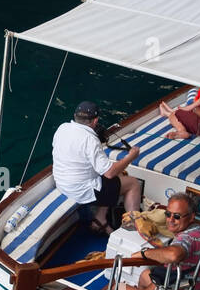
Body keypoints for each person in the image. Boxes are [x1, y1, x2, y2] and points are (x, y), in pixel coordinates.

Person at [108, 193, 200, 290]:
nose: (170, 220)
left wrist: (144, 253)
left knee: (118, 287)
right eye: (168, 214)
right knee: (145, 275)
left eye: (177, 216)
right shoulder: (195, 232)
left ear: (191, 217)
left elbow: (174, 254)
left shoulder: (188, 238)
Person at [52, 100, 142, 234]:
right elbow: (110, 173)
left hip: (61, 183)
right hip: (80, 191)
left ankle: (100, 219)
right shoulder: (90, 139)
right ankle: (133, 229)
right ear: (95, 121)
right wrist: (130, 157)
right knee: (132, 183)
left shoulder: (62, 128)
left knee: (114, 177)